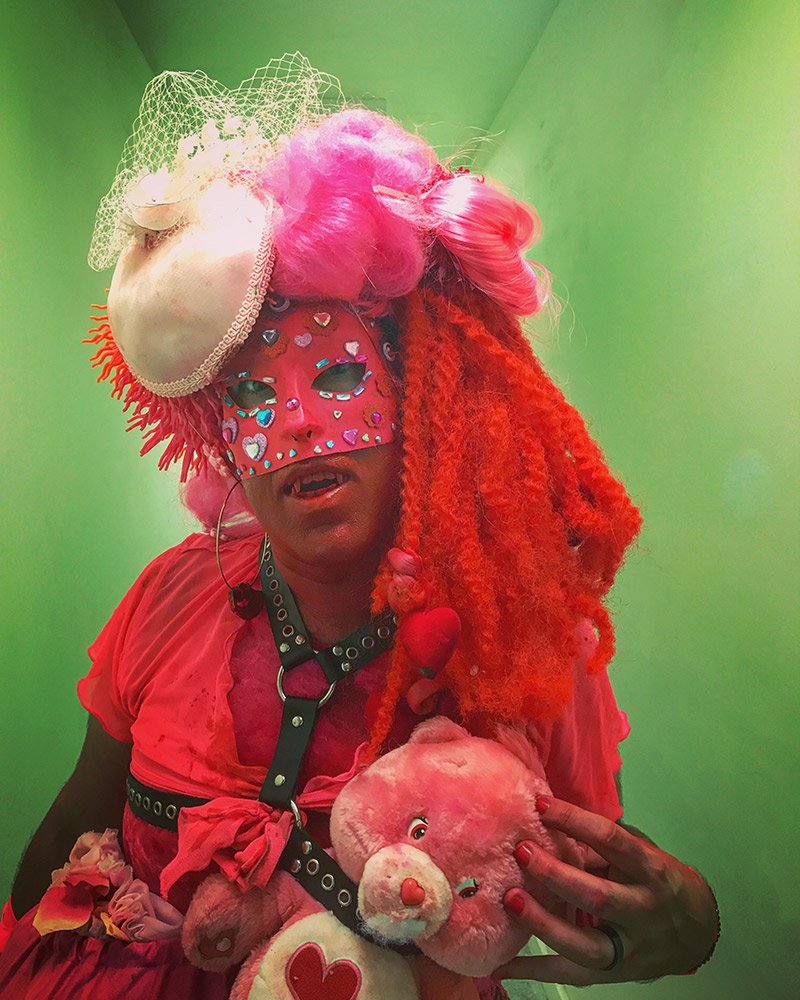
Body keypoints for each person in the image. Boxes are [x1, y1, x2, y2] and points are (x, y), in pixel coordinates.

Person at [0, 56, 718, 997]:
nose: (296, 423)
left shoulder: (525, 637)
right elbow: (67, 830)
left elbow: (596, 877)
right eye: (253, 398)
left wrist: (688, 926)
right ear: (224, 438)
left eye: (336, 377)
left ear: (424, 396)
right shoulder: (172, 594)